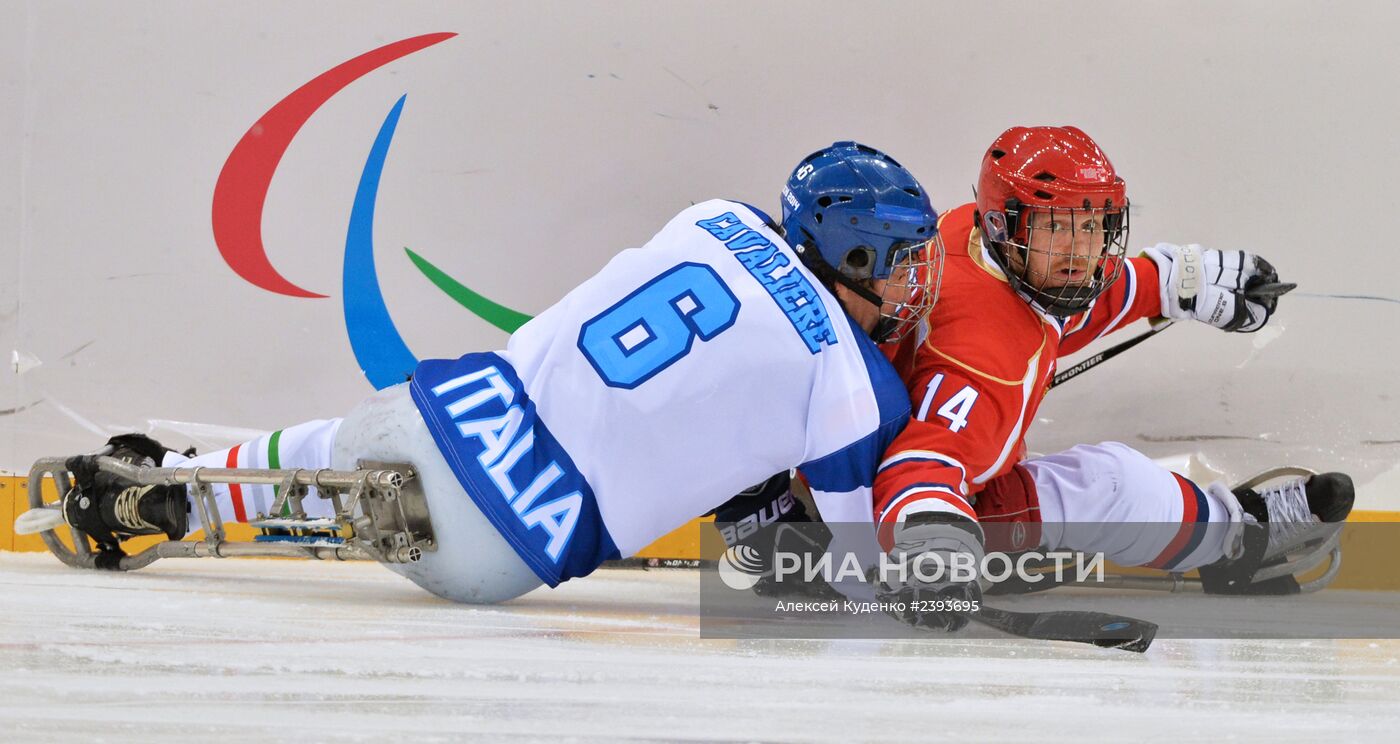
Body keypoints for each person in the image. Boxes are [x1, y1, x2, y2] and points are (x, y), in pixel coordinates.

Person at [52, 141, 945, 604]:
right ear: (855, 250)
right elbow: (850, 579)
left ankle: (176, 484)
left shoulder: (717, 215)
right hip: (507, 553)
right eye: (902, 259)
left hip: (446, 412)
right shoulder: (862, 390)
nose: (912, 282)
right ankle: (340, 512)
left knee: (340, 445)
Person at [866, 126, 1354, 631]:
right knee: (1113, 483)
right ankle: (1235, 543)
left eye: (1093, 223)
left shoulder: (969, 236)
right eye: (1057, 227)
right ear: (1003, 225)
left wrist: (1174, 283)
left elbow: (1063, 307)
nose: (1080, 251)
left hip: (879, 468)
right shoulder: (985, 358)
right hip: (882, 514)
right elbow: (923, 461)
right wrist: (932, 547)